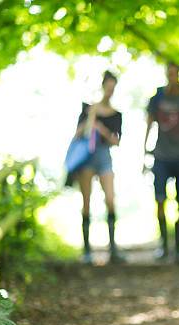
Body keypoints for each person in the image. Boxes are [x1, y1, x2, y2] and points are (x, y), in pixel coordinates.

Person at [144, 62, 179, 264]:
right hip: (161, 156)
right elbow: (149, 124)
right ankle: (164, 246)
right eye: (169, 73)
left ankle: (178, 249)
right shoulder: (157, 97)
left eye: (175, 74)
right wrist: (144, 153)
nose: (172, 76)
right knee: (160, 200)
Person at [71, 71, 124, 264]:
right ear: (103, 86)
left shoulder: (117, 115)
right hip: (87, 158)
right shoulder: (88, 109)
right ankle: (86, 251)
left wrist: (101, 129)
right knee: (86, 202)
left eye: (113, 88)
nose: (110, 91)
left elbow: (116, 141)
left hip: (104, 157)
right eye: (108, 87)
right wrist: (91, 118)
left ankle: (113, 248)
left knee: (110, 199)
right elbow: (78, 134)